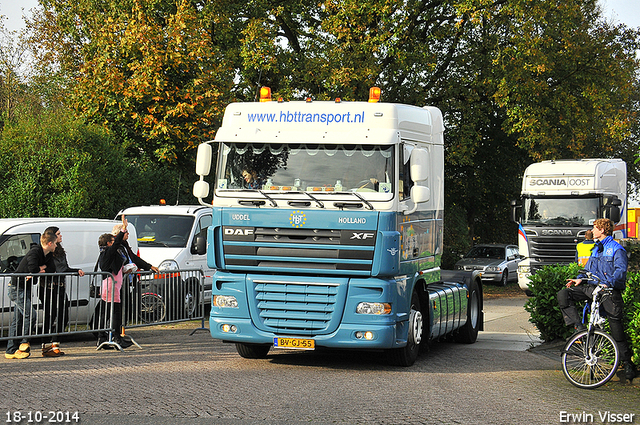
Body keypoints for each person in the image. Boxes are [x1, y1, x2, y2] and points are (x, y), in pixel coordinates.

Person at [558, 218, 637, 382]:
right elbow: (588, 270)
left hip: (608, 291)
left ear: (602, 230)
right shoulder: (596, 249)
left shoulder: (617, 249)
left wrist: (607, 284)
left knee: (616, 330)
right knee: (564, 294)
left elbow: (620, 273)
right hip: (592, 288)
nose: (592, 231)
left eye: (594, 228)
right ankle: (579, 330)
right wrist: (580, 279)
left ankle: (627, 363)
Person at [5, 232, 57, 359]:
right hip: (16, 288)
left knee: (17, 319)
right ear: (49, 243)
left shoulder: (48, 255)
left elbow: (51, 269)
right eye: (55, 243)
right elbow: (33, 268)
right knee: (31, 314)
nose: (56, 246)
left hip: (26, 287)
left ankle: (10, 350)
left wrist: (40, 269)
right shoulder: (35, 252)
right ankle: (24, 342)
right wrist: (39, 269)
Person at [38, 226, 85, 357]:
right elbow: (48, 268)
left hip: (60, 286)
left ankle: (55, 343)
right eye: (58, 234)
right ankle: (46, 346)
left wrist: (76, 271)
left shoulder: (60, 251)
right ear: (51, 236)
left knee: (63, 315)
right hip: (48, 287)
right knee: (50, 315)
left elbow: (64, 268)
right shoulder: (46, 251)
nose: (61, 236)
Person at [110, 222, 159, 325]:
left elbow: (134, 258)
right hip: (118, 281)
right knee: (119, 308)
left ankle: (122, 330)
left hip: (128, 281)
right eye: (126, 232)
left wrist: (148, 266)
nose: (128, 234)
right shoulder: (117, 246)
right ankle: (116, 333)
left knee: (126, 307)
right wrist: (124, 270)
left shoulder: (125, 245)